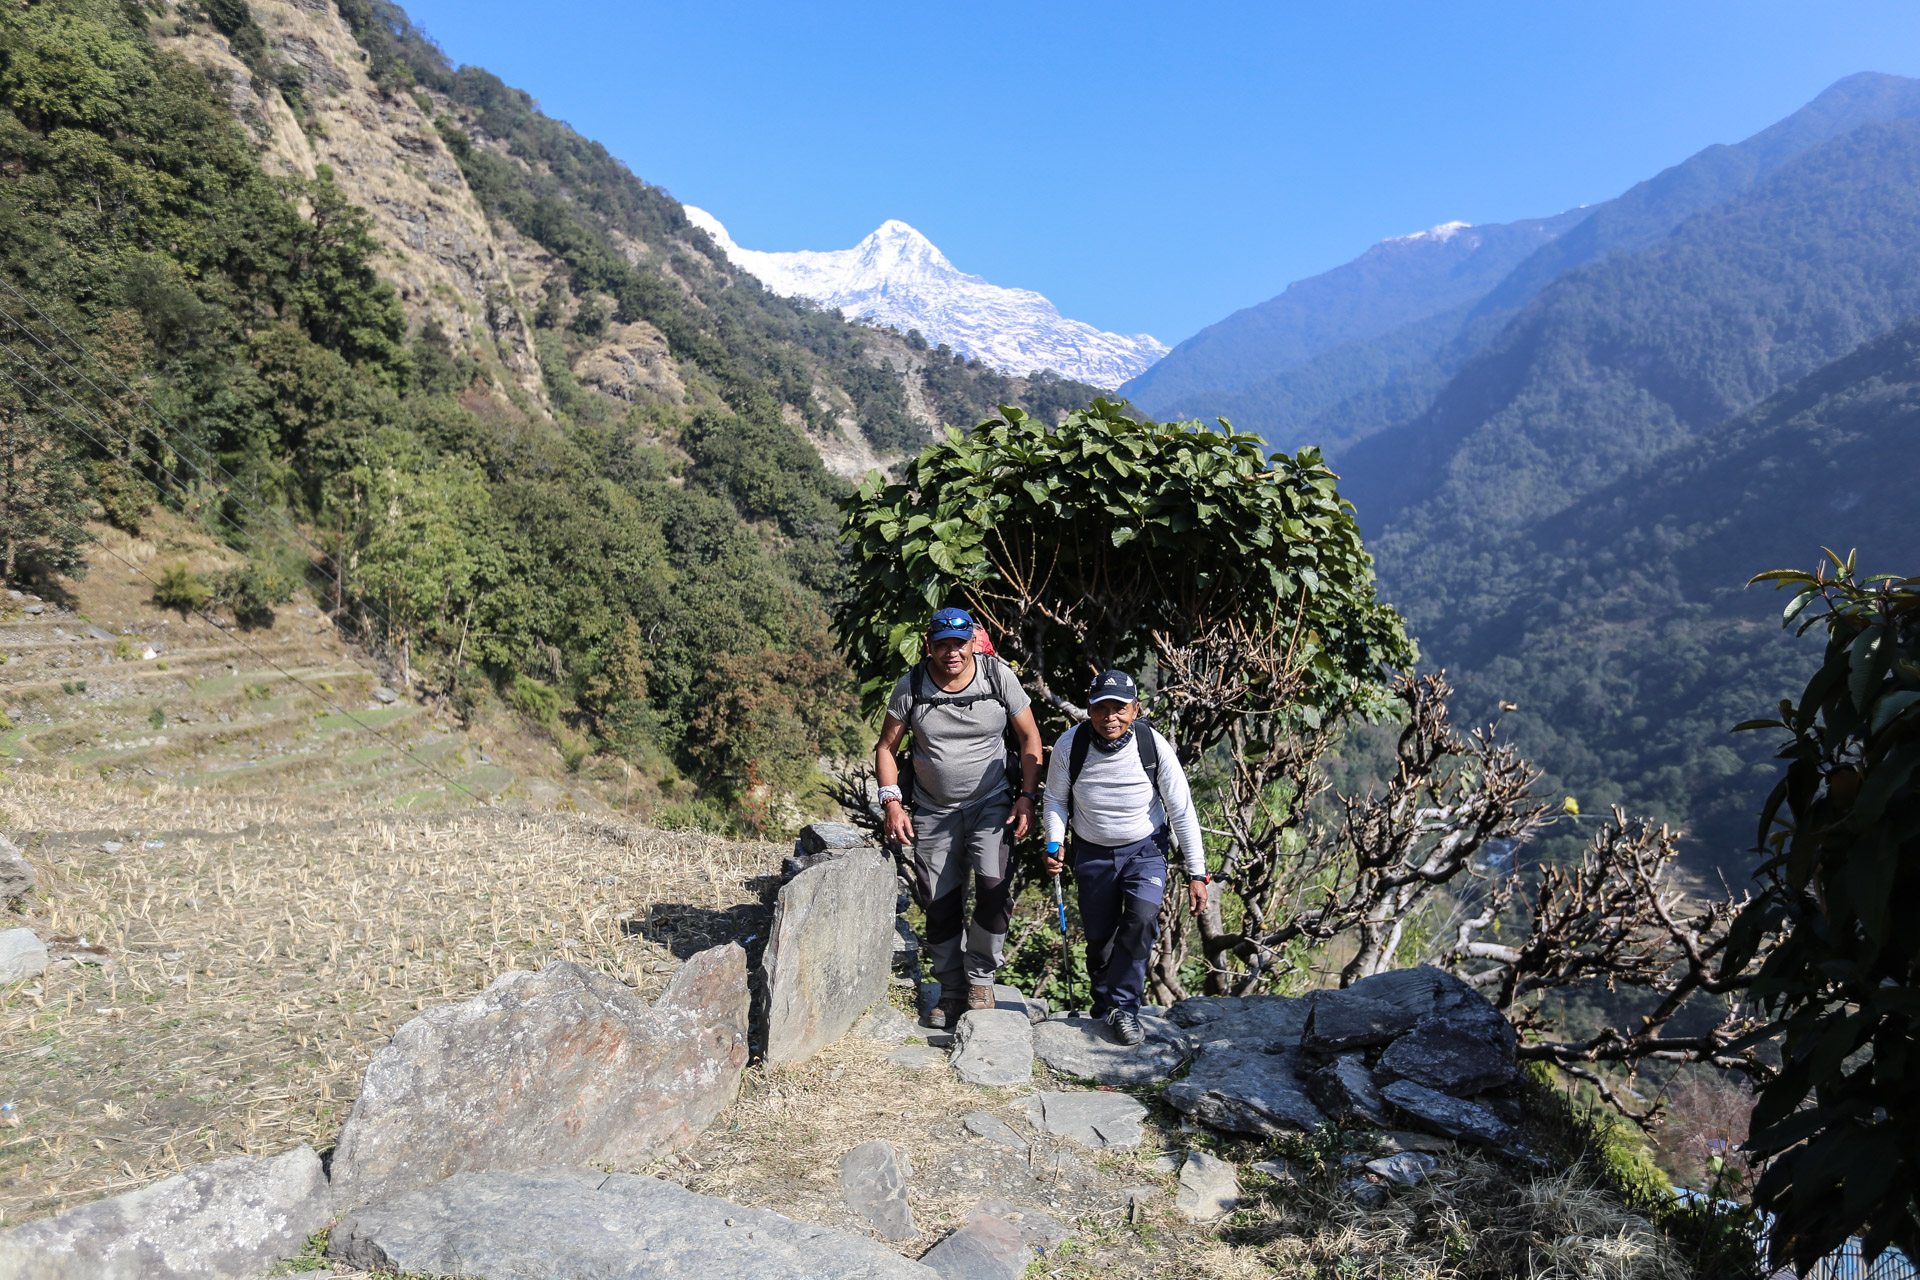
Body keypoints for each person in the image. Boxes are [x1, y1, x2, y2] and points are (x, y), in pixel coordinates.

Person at [874, 607, 1044, 1028]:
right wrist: (892, 802)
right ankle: (950, 990)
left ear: (973, 642)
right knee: (939, 901)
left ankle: (981, 978)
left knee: (993, 886)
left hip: (991, 802)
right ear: (929, 645)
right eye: (943, 644)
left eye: (960, 643)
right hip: (934, 808)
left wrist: (1026, 796)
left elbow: (1029, 737)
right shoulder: (911, 684)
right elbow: (886, 748)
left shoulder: (997, 676)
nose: (952, 652)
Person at [1042, 669, 1208, 1046]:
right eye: (1101, 708)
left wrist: (1197, 873)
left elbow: (1181, 809)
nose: (1109, 717)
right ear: (1089, 708)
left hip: (1144, 850)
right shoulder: (1071, 745)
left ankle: (1125, 1008)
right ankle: (1105, 1006)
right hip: (1092, 851)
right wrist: (1055, 842)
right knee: (1100, 941)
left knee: (1143, 918)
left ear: (1135, 709)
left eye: (1119, 708)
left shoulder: (1153, 745)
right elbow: (1054, 799)